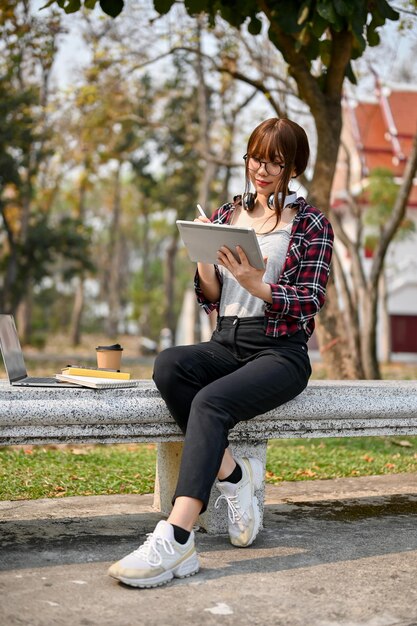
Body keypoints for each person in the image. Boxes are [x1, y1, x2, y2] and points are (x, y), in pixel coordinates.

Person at [108, 117, 334, 588]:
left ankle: (176, 537)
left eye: (276, 161)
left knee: (210, 403)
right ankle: (234, 476)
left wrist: (260, 284)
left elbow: (310, 299)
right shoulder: (228, 212)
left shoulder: (312, 223)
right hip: (226, 341)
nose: (263, 169)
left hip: (280, 351)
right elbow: (211, 296)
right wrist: (203, 263)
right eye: (257, 157)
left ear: (294, 166)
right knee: (169, 364)